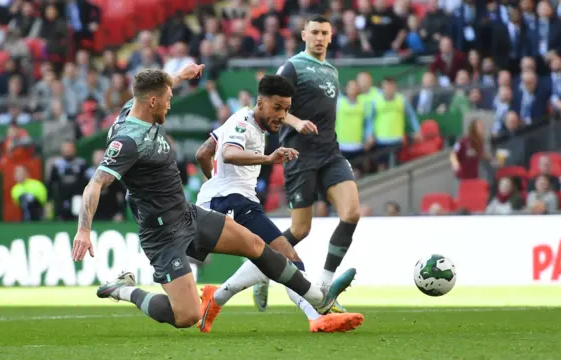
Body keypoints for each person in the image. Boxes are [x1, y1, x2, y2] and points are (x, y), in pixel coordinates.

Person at [71, 65, 356, 330]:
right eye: (168, 99)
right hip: (162, 233)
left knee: (256, 244)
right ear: (153, 102)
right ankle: (124, 289)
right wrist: (84, 229)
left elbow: (163, 87)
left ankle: (318, 299)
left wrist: (181, 76)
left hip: (187, 213)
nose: (171, 104)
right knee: (187, 316)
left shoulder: (135, 105)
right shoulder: (128, 142)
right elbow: (95, 185)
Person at [194, 75, 363, 333]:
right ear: (260, 103)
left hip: (233, 199)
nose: (282, 115)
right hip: (232, 200)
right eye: (277, 108)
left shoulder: (243, 120)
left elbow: (203, 153)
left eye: (286, 109)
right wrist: (267, 159)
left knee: (269, 258)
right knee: (288, 256)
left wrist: (214, 184)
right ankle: (317, 315)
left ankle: (214, 299)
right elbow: (228, 153)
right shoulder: (243, 123)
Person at [251, 14, 361, 314]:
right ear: (303, 35)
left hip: (330, 152)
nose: (319, 38)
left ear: (331, 35)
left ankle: (325, 285)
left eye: (325, 32)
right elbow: (268, 104)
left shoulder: (332, 71)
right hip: (299, 153)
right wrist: (296, 122)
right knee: (300, 230)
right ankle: (261, 266)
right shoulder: (293, 66)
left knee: (351, 213)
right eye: (314, 32)